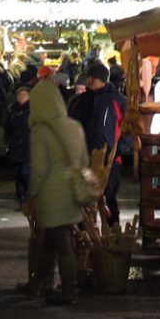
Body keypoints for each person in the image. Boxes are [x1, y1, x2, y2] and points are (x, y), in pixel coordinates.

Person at [25, 78, 88, 305]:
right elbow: (84, 161)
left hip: (51, 195)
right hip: (71, 192)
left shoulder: (40, 131)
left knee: (61, 241)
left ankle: (69, 289)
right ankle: (36, 286)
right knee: (51, 242)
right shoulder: (74, 126)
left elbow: (39, 170)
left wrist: (31, 194)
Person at [75, 60, 125, 226]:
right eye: (89, 76)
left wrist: (118, 150)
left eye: (94, 77)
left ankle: (112, 232)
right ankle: (85, 234)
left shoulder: (117, 100)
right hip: (85, 158)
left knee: (109, 196)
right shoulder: (80, 101)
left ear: (103, 79)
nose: (90, 80)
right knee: (84, 198)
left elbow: (128, 127)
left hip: (110, 159)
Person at [6, 86, 32, 209]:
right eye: (19, 95)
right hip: (16, 146)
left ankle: (27, 200)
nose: (21, 97)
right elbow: (8, 127)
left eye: (24, 95)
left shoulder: (32, 110)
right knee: (18, 175)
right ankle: (21, 199)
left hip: (28, 146)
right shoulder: (12, 110)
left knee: (26, 174)